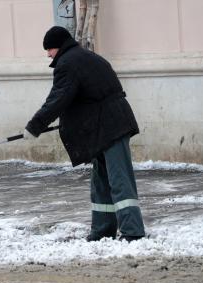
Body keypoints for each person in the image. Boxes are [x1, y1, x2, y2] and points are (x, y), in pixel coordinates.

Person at [24, 26, 145, 242]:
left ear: (58, 46)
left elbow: (59, 99)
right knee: (100, 181)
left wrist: (35, 125)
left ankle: (132, 231)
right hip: (103, 126)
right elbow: (84, 99)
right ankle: (102, 230)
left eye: (49, 49)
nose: (48, 54)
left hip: (111, 126)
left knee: (119, 179)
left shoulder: (68, 64)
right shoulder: (86, 57)